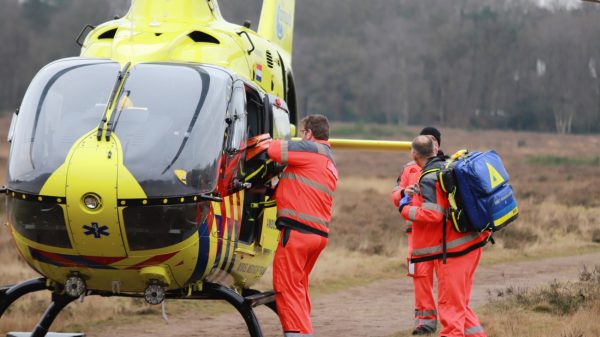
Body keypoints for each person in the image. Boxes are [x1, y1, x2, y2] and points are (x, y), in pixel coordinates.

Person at [399, 136, 489, 337]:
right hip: (472, 244)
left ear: (414, 154)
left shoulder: (429, 176)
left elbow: (433, 214)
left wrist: (406, 208)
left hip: (454, 253)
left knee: (450, 312)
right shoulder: (448, 166)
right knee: (460, 306)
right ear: (435, 149)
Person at [267, 114, 338, 337]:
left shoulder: (310, 149)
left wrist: (264, 139)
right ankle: (304, 330)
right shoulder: (327, 159)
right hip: (317, 235)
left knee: (286, 286)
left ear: (308, 133)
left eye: (302, 132)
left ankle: (297, 333)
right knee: (298, 286)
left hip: (298, 232)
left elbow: (274, 151)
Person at [391, 127, 444, 335]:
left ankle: (451, 318)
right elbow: (395, 194)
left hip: (440, 233)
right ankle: (425, 321)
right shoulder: (408, 169)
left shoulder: (445, 167)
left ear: (438, 145)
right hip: (416, 232)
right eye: (428, 141)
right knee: (420, 276)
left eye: (434, 141)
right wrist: (405, 192)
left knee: (445, 276)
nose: (432, 144)